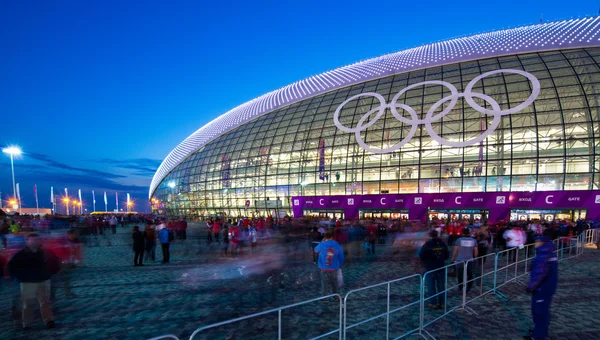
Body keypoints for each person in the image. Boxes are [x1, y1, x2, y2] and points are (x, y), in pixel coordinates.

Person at [7, 233, 60, 329]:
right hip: (28, 282)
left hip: (44, 280)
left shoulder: (45, 252)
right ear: (27, 242)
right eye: (32, 240)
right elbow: (11, 267)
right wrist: (20, 277)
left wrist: (52, 272)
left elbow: (54, 261)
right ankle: (27, 323)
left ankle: (49, 320)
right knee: (28, 304)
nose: (35, 242)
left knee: (45, 302)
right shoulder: (20, 254)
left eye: (37, 239)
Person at [524, 234, 558, 340]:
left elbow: (540, 273)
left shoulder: (543, 254)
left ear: (542, 242)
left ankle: (538, 336)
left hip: (542, 288)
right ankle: (540, 330)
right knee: (543, 311)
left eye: (537, 241)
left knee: (539, 311)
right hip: (547, 287)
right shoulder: (549, 253)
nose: (535, 243)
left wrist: (531, 286)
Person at [419, 230, 450, 309]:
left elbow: (421, 255)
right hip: (440, 266)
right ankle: (442, 303)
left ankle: (434, 303)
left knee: (431, 286)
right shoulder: (442, 244)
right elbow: (447, 255)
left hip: (430, 267)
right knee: (441, 286)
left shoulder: (427, 244)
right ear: (437, 235)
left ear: (430, 235)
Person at [314, 231, 344, 300]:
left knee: (324, 283)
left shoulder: (322, 244)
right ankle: (336, 297)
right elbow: (341, 255)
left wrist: (321, 242)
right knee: (334, 282)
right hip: (334, 267)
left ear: (325, 237)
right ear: (331, 237)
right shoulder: (336, 244)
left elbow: (315, 250)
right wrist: (340, 264)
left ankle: (325, 298)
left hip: (324, 267)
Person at [451, 228, 478, 292]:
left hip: (460, 260)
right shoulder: (473, 240)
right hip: (470, 260)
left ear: (462, 233)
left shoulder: (459, 240)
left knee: (460, 274)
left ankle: (460, 287)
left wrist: (453, 258)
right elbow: (476, 250)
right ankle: (469, 287)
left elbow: (456, 250)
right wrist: (476, 257)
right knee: (470, 274)